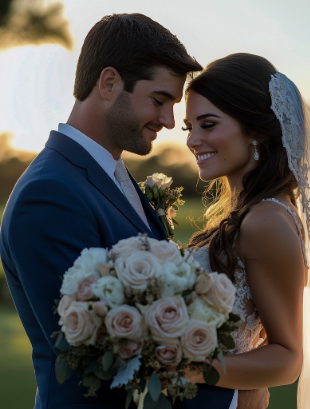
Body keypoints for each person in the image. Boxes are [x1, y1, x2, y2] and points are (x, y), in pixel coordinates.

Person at [0, 14, 269, 409]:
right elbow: (99, 367)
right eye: (159, 100)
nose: (168, 121)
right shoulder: (49, 194)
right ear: (109, 83)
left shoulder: (112, 174)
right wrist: (235, 401)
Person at [183, 53, 310, 409]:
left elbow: (287, 358)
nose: (192, 141)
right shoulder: (253, 213)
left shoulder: (264, 221)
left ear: (257, 131)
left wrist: (190, 369)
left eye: (208, 124)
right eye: (189, 128)